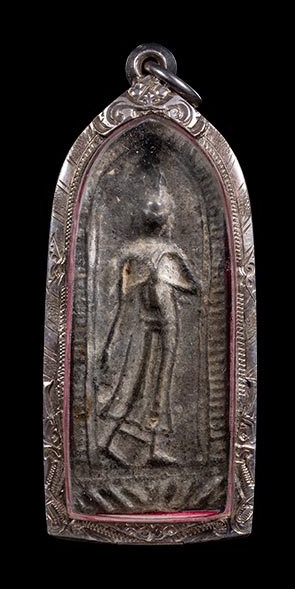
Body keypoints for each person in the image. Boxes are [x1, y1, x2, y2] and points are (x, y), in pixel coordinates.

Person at [95, 183, 199, 467]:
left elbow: (123, 294)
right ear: (165, 222)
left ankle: (139, 445)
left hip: (144, 324)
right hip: (162, 324)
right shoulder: (167, 253)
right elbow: (192, 285)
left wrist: (113, 338)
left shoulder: (133, 252)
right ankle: (109, 440)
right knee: (152, 384)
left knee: (137, 381)